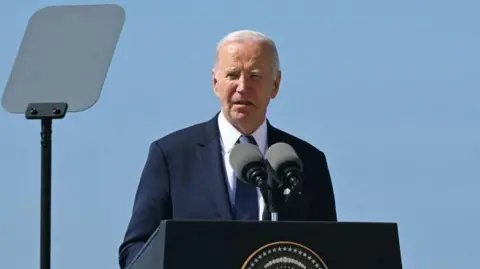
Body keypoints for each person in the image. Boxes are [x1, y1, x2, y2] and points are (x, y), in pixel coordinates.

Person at [117, 29, 337, 269]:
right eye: (232, 75)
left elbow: (328, 252)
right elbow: (135, 249)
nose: (243, 87)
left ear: (275, 84)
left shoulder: (304, 161)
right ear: (215, 83)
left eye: (255, 76)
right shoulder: (172, 156)